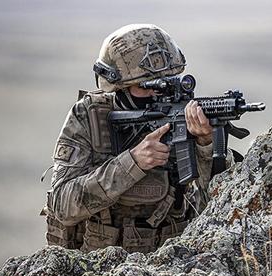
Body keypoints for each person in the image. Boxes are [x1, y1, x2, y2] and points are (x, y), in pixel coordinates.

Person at [42, 24, 231, 253]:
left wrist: (205, 145)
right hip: (95, 261)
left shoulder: (182, 113)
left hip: (168, 257)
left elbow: (217, 203)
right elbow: (63, 204)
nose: (157, 93)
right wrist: (133, 162)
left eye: (167, 82)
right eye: (145, 86)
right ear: (117, 87)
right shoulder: (90, 117)